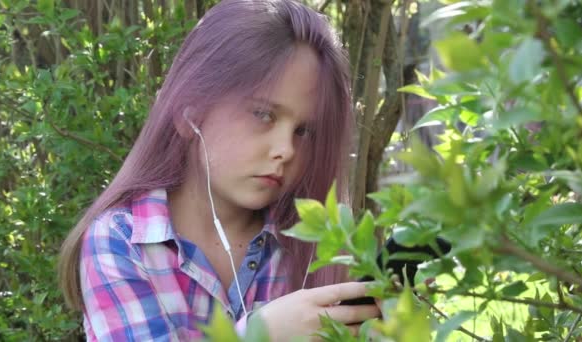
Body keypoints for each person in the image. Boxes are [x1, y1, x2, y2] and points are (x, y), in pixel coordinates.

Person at [58, 0, 380, 340]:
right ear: (191, 112)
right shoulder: (122, 242)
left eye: (304, 131)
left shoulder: (312, 242)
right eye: (263, 115)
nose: (286, 149)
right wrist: (261, 334)